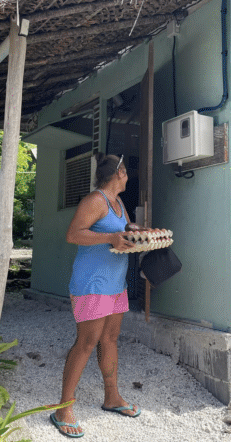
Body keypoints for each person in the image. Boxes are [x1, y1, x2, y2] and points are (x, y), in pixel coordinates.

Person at [50, 153, 141, 438]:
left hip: (115, 283)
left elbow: (122, 231)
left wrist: (136, 234)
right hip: (92, 284)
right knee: (86, 343)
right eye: (126, 171)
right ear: (119, 173)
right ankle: (63, 408)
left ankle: (112, 397)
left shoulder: (118, 203)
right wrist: (110, 239)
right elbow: (73, 234)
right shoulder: (95, 201)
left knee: (110, 339)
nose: (128, 176)